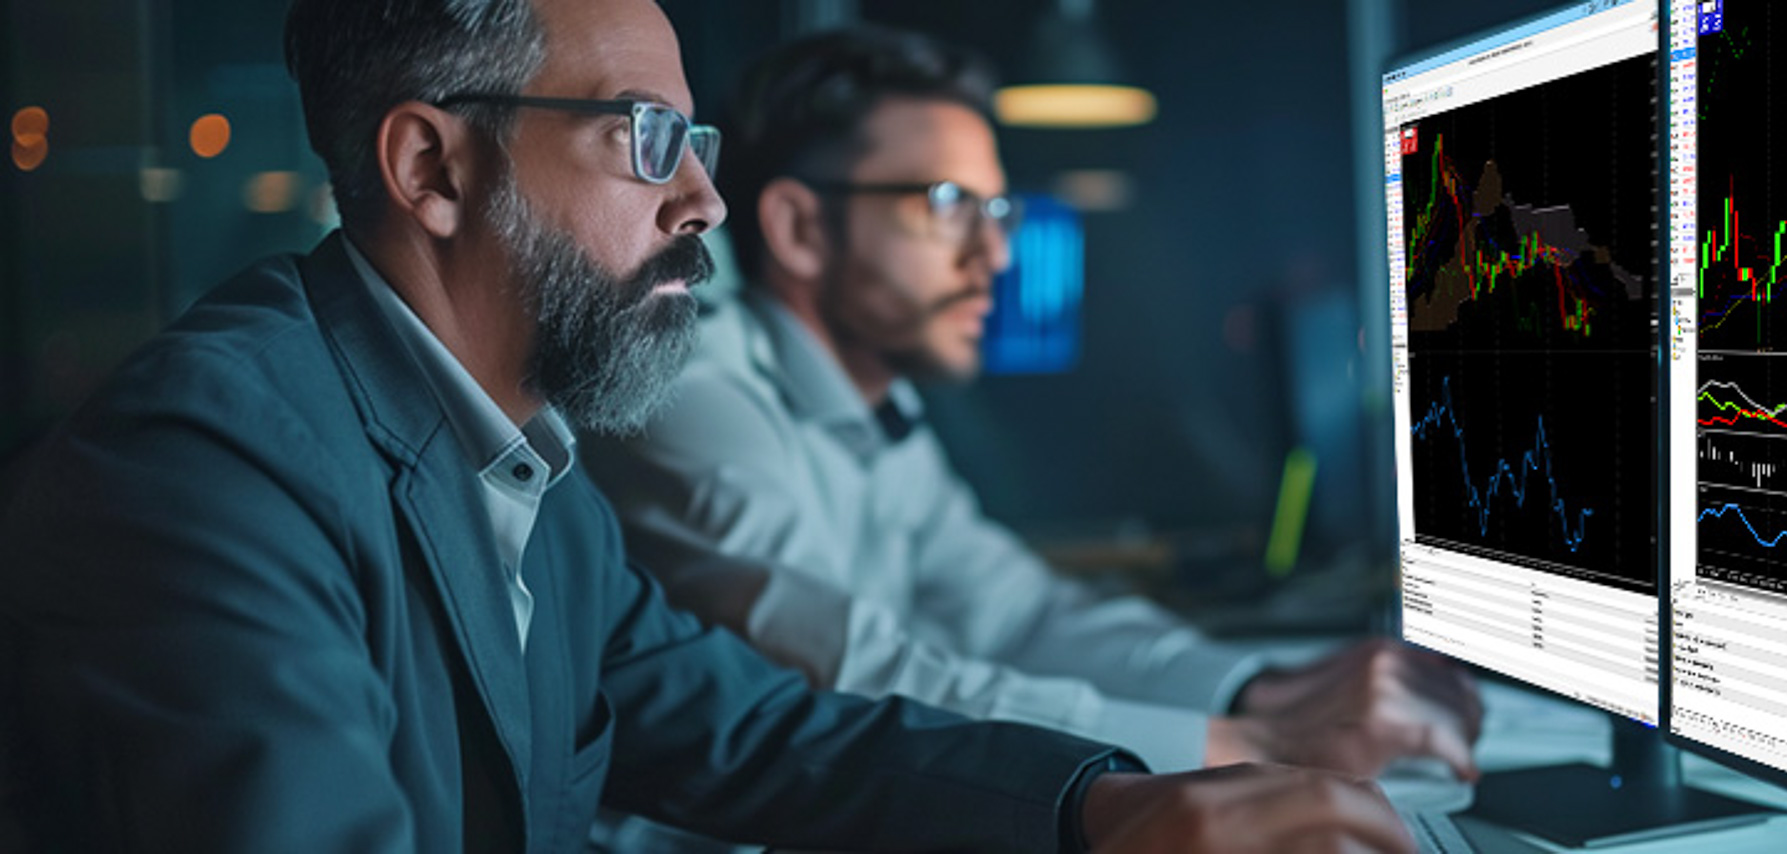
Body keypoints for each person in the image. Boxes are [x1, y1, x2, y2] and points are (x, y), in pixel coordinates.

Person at [0, 0, 1419, 851]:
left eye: (697, 143)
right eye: (644, 139)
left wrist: (1097, 808)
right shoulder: (206, 471)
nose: (706, 205)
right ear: (431, 165)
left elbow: (765, 733)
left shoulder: (530, 466)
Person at [582, 23, 1482, 786]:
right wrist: (1246, 749)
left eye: (998, 210)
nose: (998, 258)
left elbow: (1012, 611)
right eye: (947, 205)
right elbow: (847, 677)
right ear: (798, 229)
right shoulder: (690, 384)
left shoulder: (870, 401)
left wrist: (1258, 688)